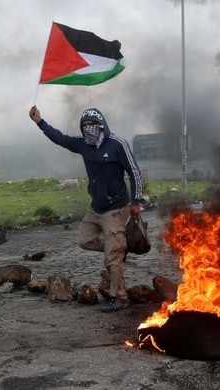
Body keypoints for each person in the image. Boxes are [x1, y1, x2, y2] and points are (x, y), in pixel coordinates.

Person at [28, 105, 142, 312]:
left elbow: (134, 172)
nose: (89, 128)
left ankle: (120, 296)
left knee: (113, 258)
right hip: (95, 207)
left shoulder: (117, 144)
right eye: (85, 125)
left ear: (102, 125)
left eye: (93, 124)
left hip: (115, 208)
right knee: (84, 240)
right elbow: (60, 138)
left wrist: (136, 201)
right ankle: (116, 246)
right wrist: (39, 122)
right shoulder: (83, 145)